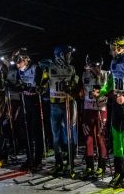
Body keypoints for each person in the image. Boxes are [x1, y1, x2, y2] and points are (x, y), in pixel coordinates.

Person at [93, 36, 124, 187]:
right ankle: (118, 172)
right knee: (115, 139)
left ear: (120, 48)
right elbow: (110, 84)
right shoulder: (114, 62)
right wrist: (100, 92)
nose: (110, 51)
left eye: (113, 48)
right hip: (116, 104)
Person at [41, 45, 78, 176]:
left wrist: (71, 87)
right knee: (56, 135)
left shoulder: (71, 68)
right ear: (60, 55)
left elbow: (76, 85)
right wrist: (42, 84)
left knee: (70, 133)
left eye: (69, 54)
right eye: (67, 54)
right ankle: (58, 162)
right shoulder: (50, 69)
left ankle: (70, 162)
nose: (69, 57)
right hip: (55, 105)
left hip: (68, 104)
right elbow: (42, 86)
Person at [13, 48, 44, 171]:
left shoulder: (36, 67)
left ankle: (38, 159)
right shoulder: (19, 70)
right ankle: (29, 158)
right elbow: (17, 83)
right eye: (16, 62)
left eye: (19, 61)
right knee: (26, 131)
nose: (17, 65)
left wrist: (36, 88)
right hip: (25, 101)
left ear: (25, 60)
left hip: (35, 102)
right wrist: (17, 86)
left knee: (36, 132)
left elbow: (40, 83)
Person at [79, 54, 109, 178]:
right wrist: (80, 92)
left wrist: (98, 87)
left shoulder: (105, 74)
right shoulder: (85, 74)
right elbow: (82, 90)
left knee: (100, 137)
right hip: (88, 109)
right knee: (88, 138)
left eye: (98, 66)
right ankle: (90, 166)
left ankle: (102, 166)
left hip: (101, 109)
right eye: (93, 66)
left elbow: (107, 89)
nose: (95, 69)